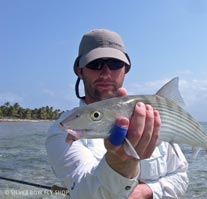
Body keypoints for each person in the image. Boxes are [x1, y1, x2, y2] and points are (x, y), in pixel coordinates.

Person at [45, 28, 189, 199]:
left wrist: (146, 192)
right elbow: (85, 192)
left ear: (125, 69)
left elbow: (181, 177)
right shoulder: (65, 128)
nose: (105, 73)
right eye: (95, 64)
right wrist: (120, 164)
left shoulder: (151, 116)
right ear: (79, 70)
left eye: (114, 64)